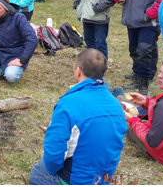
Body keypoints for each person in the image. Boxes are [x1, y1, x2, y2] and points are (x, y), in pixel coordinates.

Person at [29, 49, 127, 185]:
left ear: (78, 71)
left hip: (77, 179)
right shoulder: (116, 104)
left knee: (38, 172)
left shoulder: (67, 105)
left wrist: (53, 135)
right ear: (103, 73)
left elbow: (53, 158)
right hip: (105, 177)